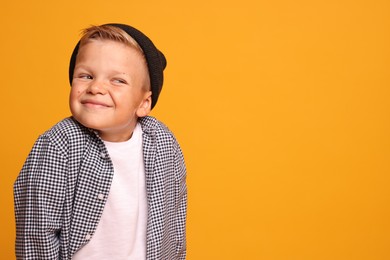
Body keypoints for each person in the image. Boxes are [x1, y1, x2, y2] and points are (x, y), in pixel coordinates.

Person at [14, 23, 187, 260]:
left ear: (144, 103)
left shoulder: (163, 143)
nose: (96, 87)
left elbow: (174, 218)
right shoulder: (58, 145)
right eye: (86, 76)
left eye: (118, 80)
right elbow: (36, 231)